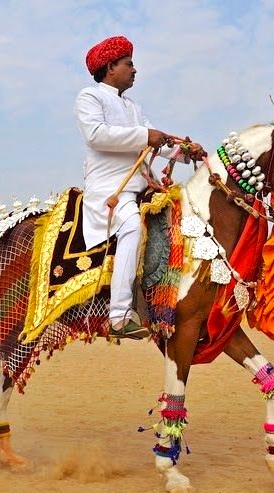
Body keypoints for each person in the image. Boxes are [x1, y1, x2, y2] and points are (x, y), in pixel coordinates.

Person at [75, 35, 204, 340]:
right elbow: (96, 135)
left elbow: (153, 143)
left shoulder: (132, 106)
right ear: (110, 68)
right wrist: (145, 135)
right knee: (131, 226)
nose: (135, 70)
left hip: (142, 187)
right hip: (110, 189)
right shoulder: (90, 97)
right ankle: (119, 316)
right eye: (129, 64)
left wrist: (185, 152)